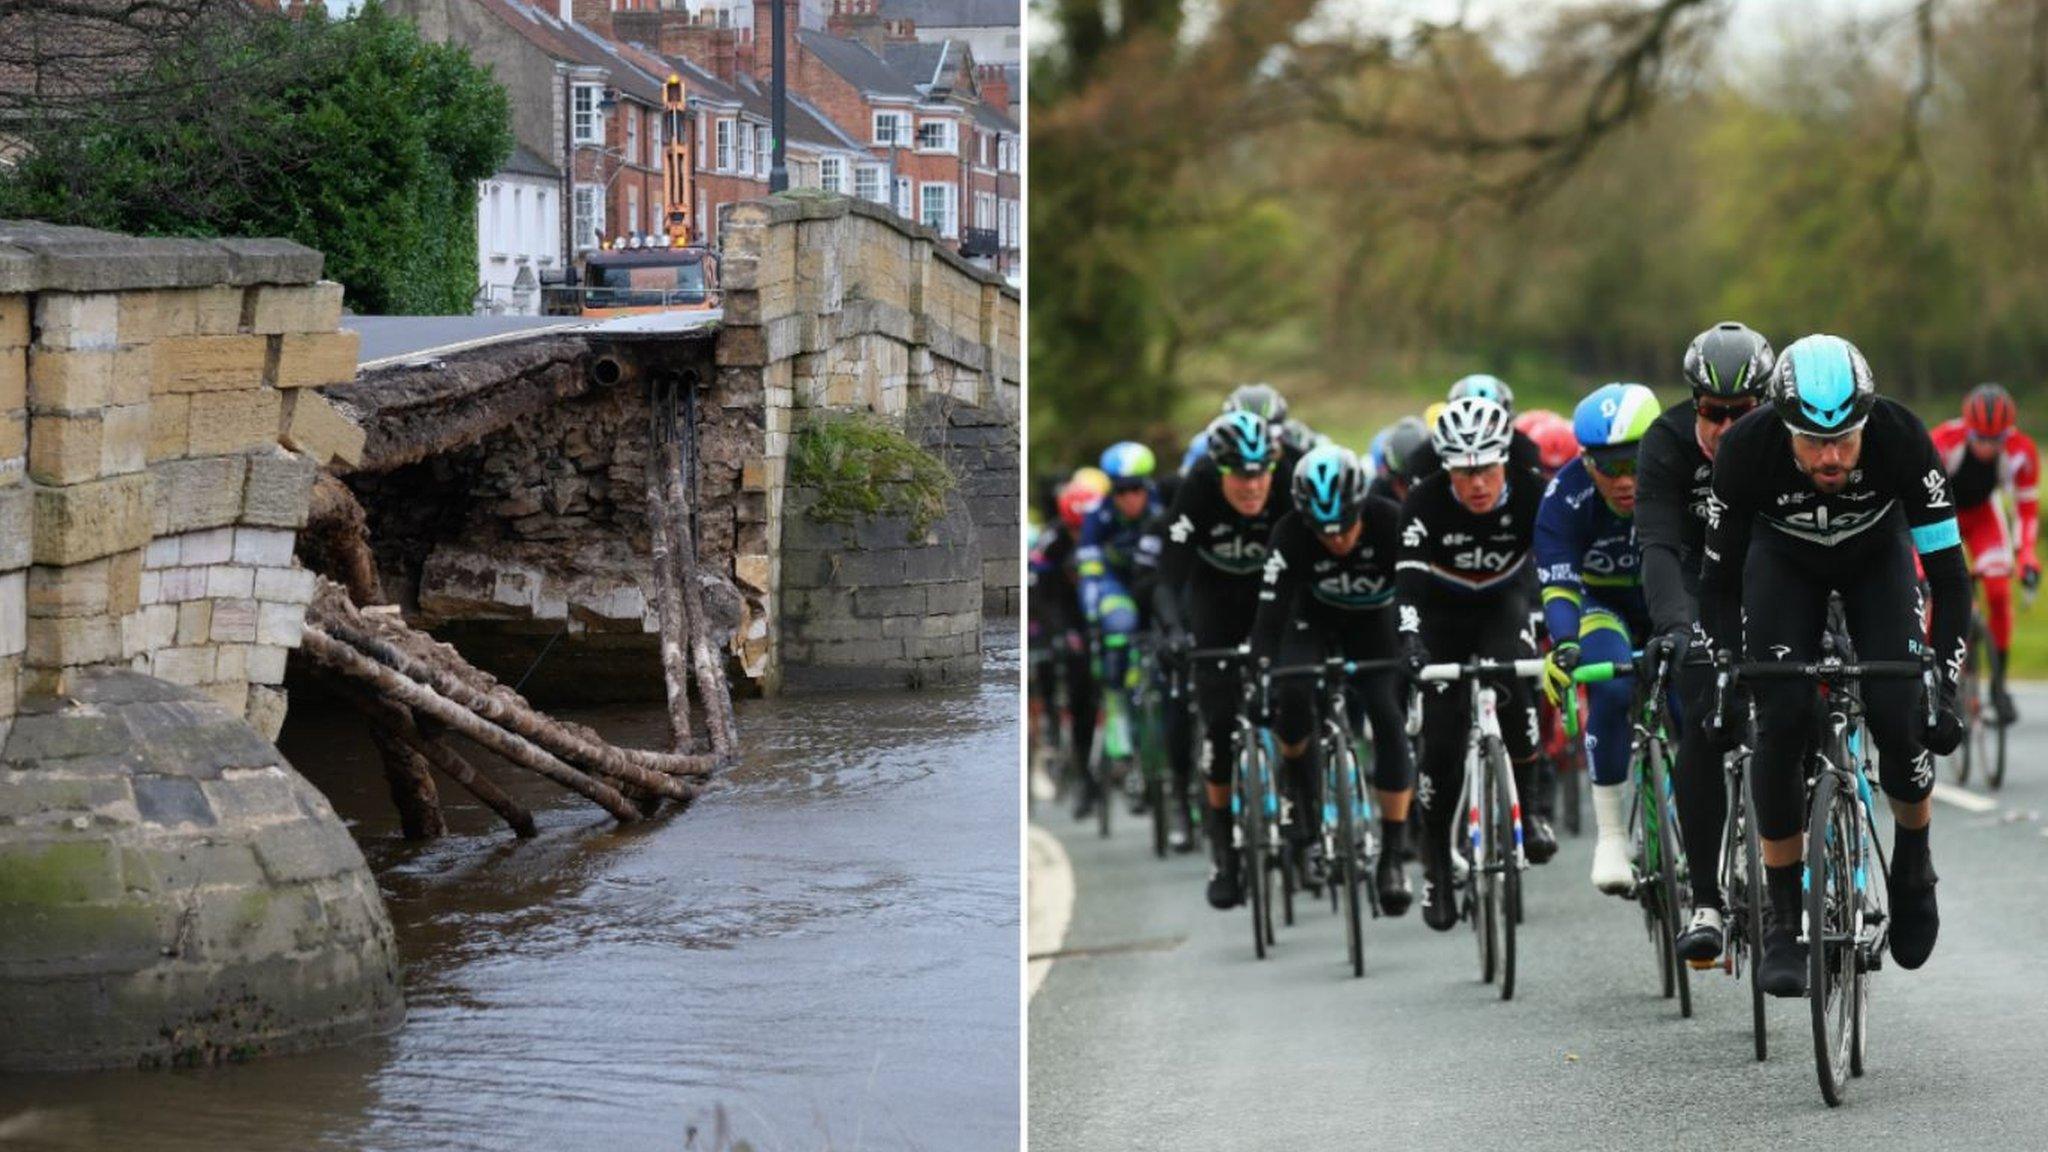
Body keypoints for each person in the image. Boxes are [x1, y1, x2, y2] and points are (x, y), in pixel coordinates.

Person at [1700, 334, 1967, 995]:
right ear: (1782, 426)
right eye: (1813, 442)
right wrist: (1726, 672)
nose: (1830, 456)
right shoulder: (1746, 450)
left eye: (1845, 439)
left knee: (1901, 714)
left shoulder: (1903, 439)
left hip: (1877, 554)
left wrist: (1948, 687)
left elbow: (1950, 579)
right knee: (1782, 717)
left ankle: (1912, 863)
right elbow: (1718, 582)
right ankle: (1785, 921)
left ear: (1866, 420)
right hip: (1782, 560)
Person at [1636, 320, 1777, 962]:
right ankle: (1707, 901)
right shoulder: (1665, 443)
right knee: (1703, 713)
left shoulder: (1785, 440)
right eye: (1711, 413)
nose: (1724, 428)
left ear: (1766, 405)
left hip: (1770, 574)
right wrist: (1673, 628)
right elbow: (1660, 548)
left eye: (1740, 413)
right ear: (1694, 404)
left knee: (1789, 711)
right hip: (1695, 583)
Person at [1396, 396, 1555, 933]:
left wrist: (1554, 619)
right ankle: (1438, 865)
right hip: (1441, 618)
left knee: (1517, 687)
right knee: (1439, 747)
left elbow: (1555, 565)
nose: (1478, 484)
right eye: (1464, 473)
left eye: (1486, 468)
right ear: (1447, 470)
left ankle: (1529, 810)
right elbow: (1410, 581)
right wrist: (1411, 639)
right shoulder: (1423, 501)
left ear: (1504, 462)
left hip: (1500, 605)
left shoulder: (1533, 492)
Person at [1248, 446, 1414, 913]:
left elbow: (1414, 594)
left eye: (1344, 525)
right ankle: (1300, 791)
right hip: (1312, 622)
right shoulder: (1289, 533)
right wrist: (1261, 672)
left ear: (1361, 506)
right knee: (1292, 694)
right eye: (1323, 530)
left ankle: (1394, 856)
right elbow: (1269, 614)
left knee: (1387, 716)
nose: (1336, 539)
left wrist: (1414, 648)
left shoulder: (1389, 521)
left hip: (1375, 623)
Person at [1154, 411, 1291, 908]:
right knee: (1216, 731)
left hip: (1276, 605)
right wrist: (1171, 632)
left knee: (1299, 698)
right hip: (1215, 608)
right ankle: (1224, 852)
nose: (1252, 486)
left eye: (1260, 473)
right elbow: (1168, 578)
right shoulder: (1198, 490)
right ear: (1220, 471)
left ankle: (1305, 810)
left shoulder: (1288, 484)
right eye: (1240, 475)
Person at [1535, 384, 1661, 895]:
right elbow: (1560, 586)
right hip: (1602, 607)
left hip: (1669, 602)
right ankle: (1611, 836)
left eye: (1635, 462)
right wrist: (1564, 643)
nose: (1625, 480)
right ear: (1586, 463)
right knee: (1607, 690)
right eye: (1610, 468)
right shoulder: (1564, 499)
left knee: (1696, 700)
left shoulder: (1686, 481)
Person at [1928, 383, 2041, 723]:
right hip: (1939, 515)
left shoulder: (2022, 451)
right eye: (1981, 439)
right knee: (1928, 592)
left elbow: (2026, 509)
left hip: (1983, 518)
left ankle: (1998, 684)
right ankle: (1931, 675)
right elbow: (1917, 499)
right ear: (1968, 429)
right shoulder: (1943, 441)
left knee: (1998, 590)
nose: (1988, 448)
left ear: (2008, 433)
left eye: (1996, 440)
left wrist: (2027, 557)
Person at [1030, 478, 1110, 819]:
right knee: (1077, 698)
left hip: (1102, 612)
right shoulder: (1051, 543)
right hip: (1064, 615)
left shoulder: (1108, 531)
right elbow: (1043, 599)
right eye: (1074, 528)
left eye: (1084, 528)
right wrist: (1059, 634)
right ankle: (1083, 777)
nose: (1079, 535)